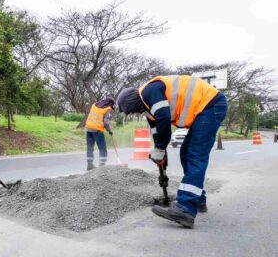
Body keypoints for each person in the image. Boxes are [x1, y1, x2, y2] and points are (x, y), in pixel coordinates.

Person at [116, 75, 227, 228]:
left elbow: (163, 118)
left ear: (134, 103)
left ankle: (186, 208)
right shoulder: (148, 108)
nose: (136, 114)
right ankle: (198, 199)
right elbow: (157, 131)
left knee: (195, 155)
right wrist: (160, 153)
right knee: (186, 154)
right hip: (203, 110)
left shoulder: (150, 92)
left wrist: (161, 148)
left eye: (134, 111)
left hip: (210, 105)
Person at [85, 98, 115, 170]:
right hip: (97, 130)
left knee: (90, 147)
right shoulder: (106, 110)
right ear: (109, 104)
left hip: (88, 129)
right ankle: (102, 165)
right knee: (102, 148)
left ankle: (89, 165)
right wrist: (109, 130)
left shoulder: (94, 105)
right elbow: (106, 122)